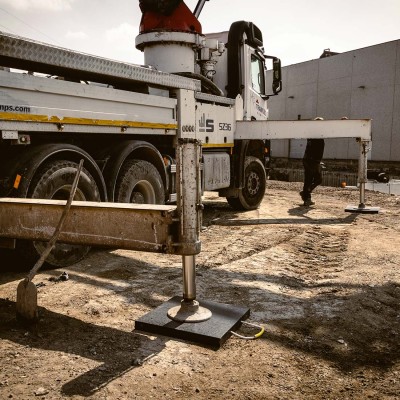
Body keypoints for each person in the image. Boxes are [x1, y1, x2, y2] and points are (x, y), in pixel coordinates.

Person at [300, 118, 325, 206]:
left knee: (309, 179)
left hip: (310, 160)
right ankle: (306, 195)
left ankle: (306, 194)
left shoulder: (312, 134)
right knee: (315, 179)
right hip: (312, 160)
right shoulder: (316, 135)